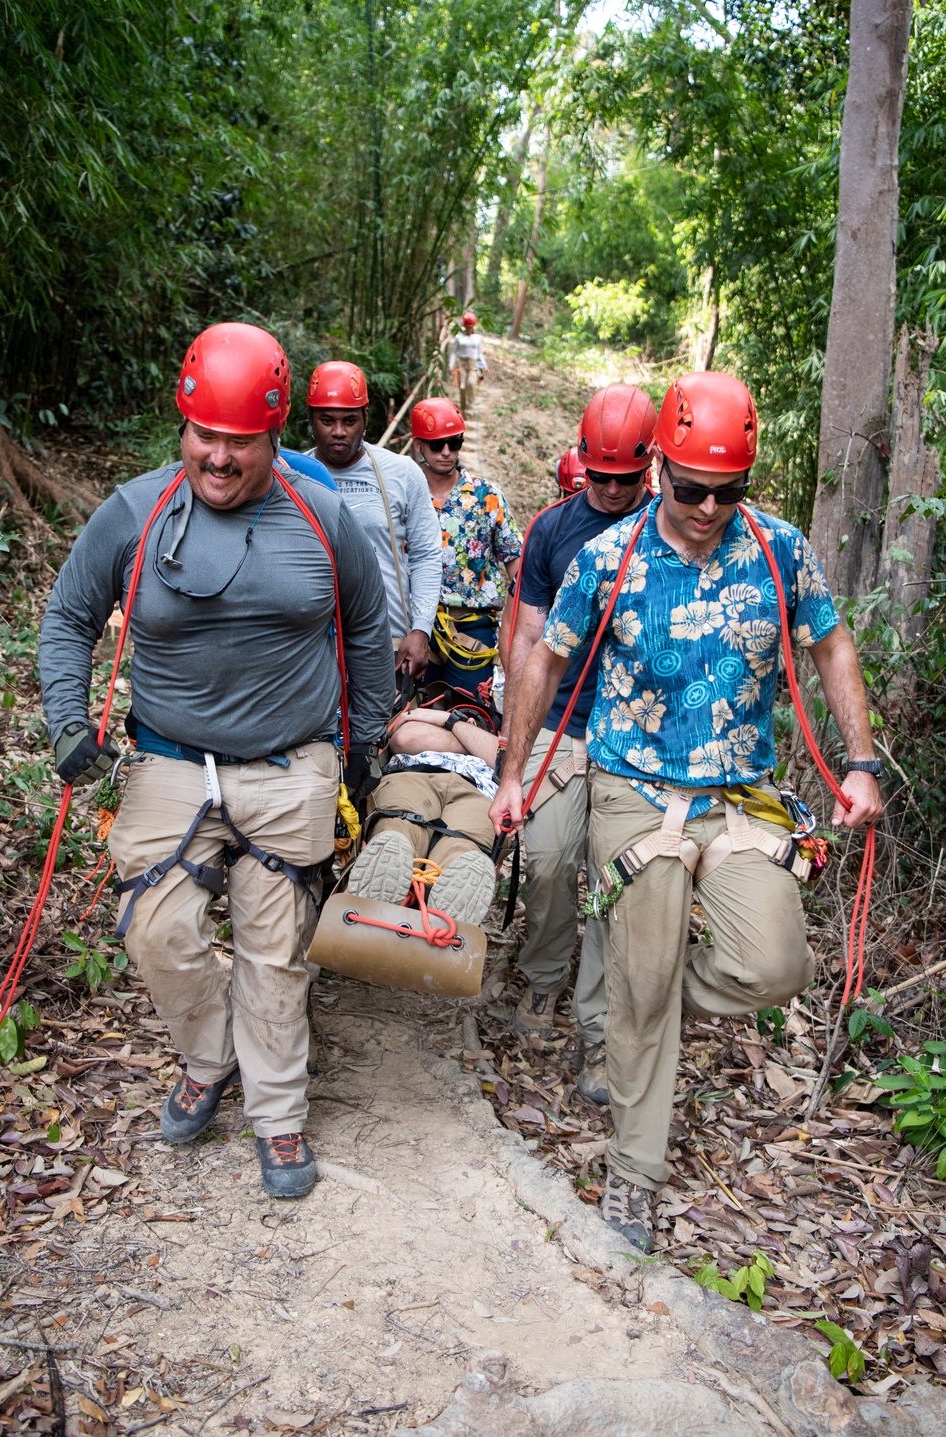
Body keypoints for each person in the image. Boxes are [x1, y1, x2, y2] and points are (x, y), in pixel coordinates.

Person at [490, 371, 883, 1253]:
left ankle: (648, 997)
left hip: (739, 794)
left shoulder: (779, 549)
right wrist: (514, 772)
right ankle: (634, 1173)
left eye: (729, 490)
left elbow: (831, 642)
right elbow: (541, 662)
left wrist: (858, 761)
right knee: (641, 952)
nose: (708, 508)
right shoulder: (607, 557)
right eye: (691, 488)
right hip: (631, 788)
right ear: (662, 466)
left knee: (774, 964)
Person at [38, 322, 395, 1201]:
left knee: (276, 951)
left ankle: (278, 1114)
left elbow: (368, 629)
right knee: (156, 931)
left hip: (290, 762)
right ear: (182, 426)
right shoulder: (136, 512)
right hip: (169, 759)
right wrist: (65, 720)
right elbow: (68, 617)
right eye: (206, 435)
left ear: (278, 435)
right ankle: (210, 1055)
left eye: (242, 440)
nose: (221, 457)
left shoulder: (323, 518)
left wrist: (363, 745)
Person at [504, 387, 656, 1108]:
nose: (614, 491)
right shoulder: (551, 532)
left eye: (628, 479)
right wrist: (516, 751)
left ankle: (596, 1024)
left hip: (634, 734)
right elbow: (528, 640)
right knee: (549, 857)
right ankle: (540, 977)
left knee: (614, 879)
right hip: (562, 721)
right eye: (601, 476)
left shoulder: (671, 532)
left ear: (650, 467)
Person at [307, 360, 442, 682]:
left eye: (349, 420)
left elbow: (426, 554)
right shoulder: (291, 475)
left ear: (366, 418)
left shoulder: (402, 472)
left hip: (388, 640)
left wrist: (421, 629)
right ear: (310, 420)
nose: (339, 432)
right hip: (310, 646)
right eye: (327, 420)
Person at [411, 396, 522, 696]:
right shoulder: (405, 498)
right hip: (417, 627)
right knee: (412, 717)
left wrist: (521, 631)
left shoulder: (487, 497)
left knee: (471, 716)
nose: (446, 452)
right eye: (436, 445)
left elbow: (517, 566)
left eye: (454, 442)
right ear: (418, 444)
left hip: (473, 627)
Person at [349, 710, 500, 926]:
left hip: (477, 792)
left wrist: (445, 722)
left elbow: (503, 757)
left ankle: (442, 909)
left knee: (463, 850)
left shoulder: (494, 743)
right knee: (400, 829)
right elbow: (405, 738)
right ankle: (384, 886)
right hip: (415, 774)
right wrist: (471, 739)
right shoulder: (421, 727)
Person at [448, 310, 487, 418]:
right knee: (462, 387)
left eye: (470, 327)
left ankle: (471, 403)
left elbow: (480, 353)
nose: (469, 328)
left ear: (473, 326)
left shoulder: (477, 338)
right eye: (467, 327)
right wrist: (451, 364)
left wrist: (484, 365)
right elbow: (453, 353)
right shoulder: (459, 338)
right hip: (461, 364)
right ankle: (463, 409)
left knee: (470, 383)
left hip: (473, 364)